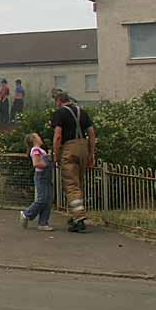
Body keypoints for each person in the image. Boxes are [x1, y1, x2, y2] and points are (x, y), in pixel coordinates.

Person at [51, 92, 97, 233]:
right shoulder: (82, 112)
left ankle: (79, 218)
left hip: (69, 148)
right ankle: (74, 215)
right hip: (83, 147)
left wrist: (56, 154)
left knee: (71, 185)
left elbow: (58, 135)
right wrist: (91, 153)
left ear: (59, 101)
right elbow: (92, 133)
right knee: (78, 183)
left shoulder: (59, 113)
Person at [19, 133, 54, 231]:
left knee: (48, 199)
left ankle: (43, 222)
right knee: (42, 199)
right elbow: (36, 163)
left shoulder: (41, 150)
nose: (40, 138)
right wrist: (46, 164)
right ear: (34, 139)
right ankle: (27, 214)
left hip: (46, 177)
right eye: (38, 136)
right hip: (42, 176)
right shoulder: (36, 150)